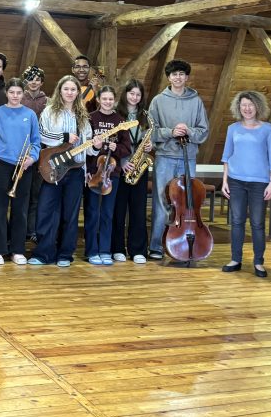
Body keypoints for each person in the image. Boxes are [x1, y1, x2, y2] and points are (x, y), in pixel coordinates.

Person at [147, 59, 209, 261]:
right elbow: (151, 132)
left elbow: (203, 131)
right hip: (164, 158)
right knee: (161, 202)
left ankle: (183, 245)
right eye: (174, 74)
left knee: (186, 204)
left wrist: (188, 131)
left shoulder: (196, 101)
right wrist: (170, 132)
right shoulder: (158, 101)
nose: (178, 77)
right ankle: (156, 246)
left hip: (187, 158)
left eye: (182, 74)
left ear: (187, 77)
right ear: (169, 77)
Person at [30, 75, 93, 267]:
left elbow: (89, 146)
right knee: (46, 211)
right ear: (60, 90)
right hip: (53, 167)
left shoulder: (83, 116)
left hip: (75, 170)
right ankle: (43, 254)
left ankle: (65, 254)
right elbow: (41, 134)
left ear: (78, 92)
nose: (70, 92)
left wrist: (96, 146)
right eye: (66, 89)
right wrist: (63, 136)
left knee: (70, 215)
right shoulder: (49, 111)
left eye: (73, 89)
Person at [221, 90, 271, 278]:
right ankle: (235, 259)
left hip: (260, 183)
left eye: (250, 105)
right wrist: (224, 181)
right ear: (238, 108)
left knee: (257, 223)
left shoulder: (268, 130)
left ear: (257, 106)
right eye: (244, 105)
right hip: (236, 181)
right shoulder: (232, 129)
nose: (247, 108)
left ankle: (258, 262)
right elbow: (226, 157)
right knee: (237, 221)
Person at [0, 77, 41, 265]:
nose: (15, 96)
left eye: (19, 93)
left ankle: (17, 250)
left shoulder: (30, 115)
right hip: (1, 165)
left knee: (20, 210)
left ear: (23, 94)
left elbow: (36, 142)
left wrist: (32, 158)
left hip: (24, 166)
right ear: (6, 93)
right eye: (12, 92)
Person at [84, 85, 129, 266]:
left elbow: (126, 148)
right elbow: (85, 146)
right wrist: (88, 170)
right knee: (92, 212)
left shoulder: (120, 121)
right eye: (104, 99)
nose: (108, 102)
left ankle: (104, 250)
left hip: (112, 173)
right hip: (94, 172)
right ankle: (91, 251)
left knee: (107, 213)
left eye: (111, 99)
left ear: (115, 100)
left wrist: (116, 148)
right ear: (98, 99)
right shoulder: (90, 118)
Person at [112, 79, 152, 264]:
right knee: (118, 210)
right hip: (120, 167)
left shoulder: (145, 116)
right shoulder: (117, 114)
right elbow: (114, 141)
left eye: (138, 94)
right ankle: (117, 248)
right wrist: (122, 163)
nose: (135, 97)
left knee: (138, 210)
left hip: (139, 167)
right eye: (131, 93)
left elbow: (147, 138)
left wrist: (150, 146)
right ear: (125, 94)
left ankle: (138, 250)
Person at [20, 65, 46, 242]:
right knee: (22, 193)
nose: (34, 82)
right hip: (22, 151)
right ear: (25, 81)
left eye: (37, 79)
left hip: (41, 152)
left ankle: (32, 229)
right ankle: (20, 230)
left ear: (42, 82)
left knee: (36, 193)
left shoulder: (48, 101)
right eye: (30, 79)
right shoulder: (20, 98)